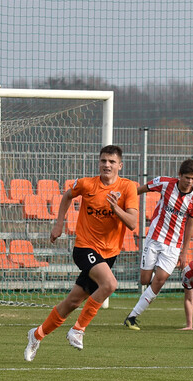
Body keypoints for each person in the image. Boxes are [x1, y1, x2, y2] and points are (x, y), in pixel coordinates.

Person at [25, 145, 139, 362]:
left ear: (120, 166)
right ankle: (78, 330)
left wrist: (116, 209)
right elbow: (67, 196)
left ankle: (37, 334)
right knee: (110, 284)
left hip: (109, 254)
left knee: (72, 302)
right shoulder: (87, 184)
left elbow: (133, 223)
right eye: (104, 160)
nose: (107, 165)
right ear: (99, 163)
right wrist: (59, 224)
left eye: (112, 162)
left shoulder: (128, 188)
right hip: (84, 247)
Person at [123, 159, 193, 331]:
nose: (190, 182)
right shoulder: (165, 183)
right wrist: (125, 201)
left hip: (173, 246)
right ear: (180, 175)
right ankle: (151, 290)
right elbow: (140, 189)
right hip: (154, 238)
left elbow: (190, 225)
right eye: (187, 177)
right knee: (145, 280)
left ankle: (132, 316)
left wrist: (184, 251)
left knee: (159, 280)